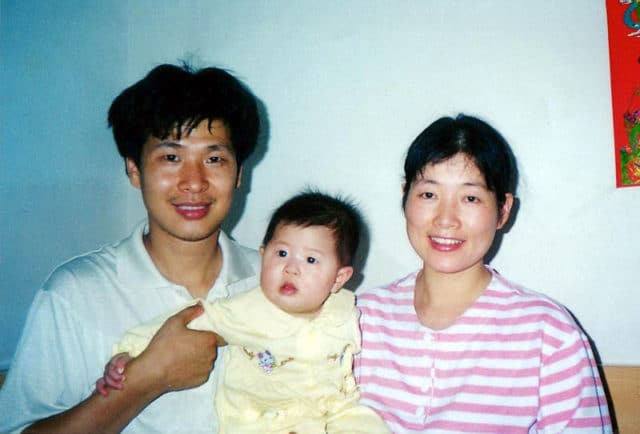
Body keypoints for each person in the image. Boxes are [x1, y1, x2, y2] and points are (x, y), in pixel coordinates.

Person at [0, 63, 262, 433]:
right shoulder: (75, 293)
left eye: (214, 158)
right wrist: (147, 377)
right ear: (134, 170)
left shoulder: (272, 281)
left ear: (238, 174)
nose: (194, 182)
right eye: (171, 157)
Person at [354, 114, 612, 433]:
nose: (446, 219)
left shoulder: (549, 334)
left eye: (471, 198)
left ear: (503, 210)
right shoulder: (357, 319)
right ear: (405, 195)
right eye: (429, 195)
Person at [97, 191, 390, 434]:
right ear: (263, 256)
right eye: (282, 253)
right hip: (262, 421)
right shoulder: (246, 308)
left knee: (368, 425)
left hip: (333, 411)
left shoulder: (344, 310)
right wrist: (129, 351)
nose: (291, 267)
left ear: (339, 278)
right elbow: (188, 320)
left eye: (311, 259)